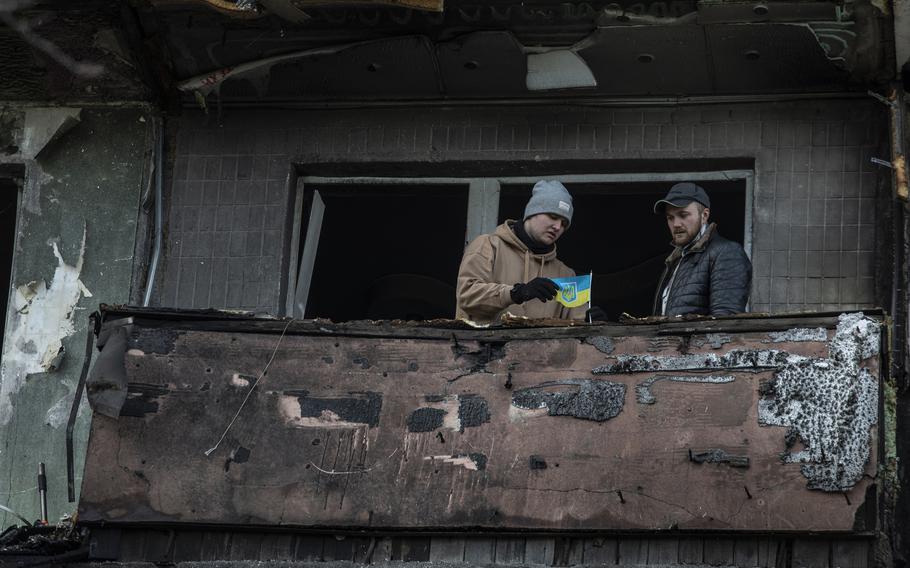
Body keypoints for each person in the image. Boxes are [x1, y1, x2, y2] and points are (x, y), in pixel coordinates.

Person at [456, 180, 602, 324]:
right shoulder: (488, 245)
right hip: (481, 346)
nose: (558, 226)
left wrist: (589, 322)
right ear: (532, 213)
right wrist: (516, 293)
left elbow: (573, 326)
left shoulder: (565, 273)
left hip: (543, 348)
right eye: (553, 216)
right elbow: (467, 296)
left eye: (564, 223)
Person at [652, 182, 752, 317]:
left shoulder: (726, 252)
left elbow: (724, 322)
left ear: (704, 216)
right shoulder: (675, 260)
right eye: (670, 217)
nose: (676, 224)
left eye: (683, 215)